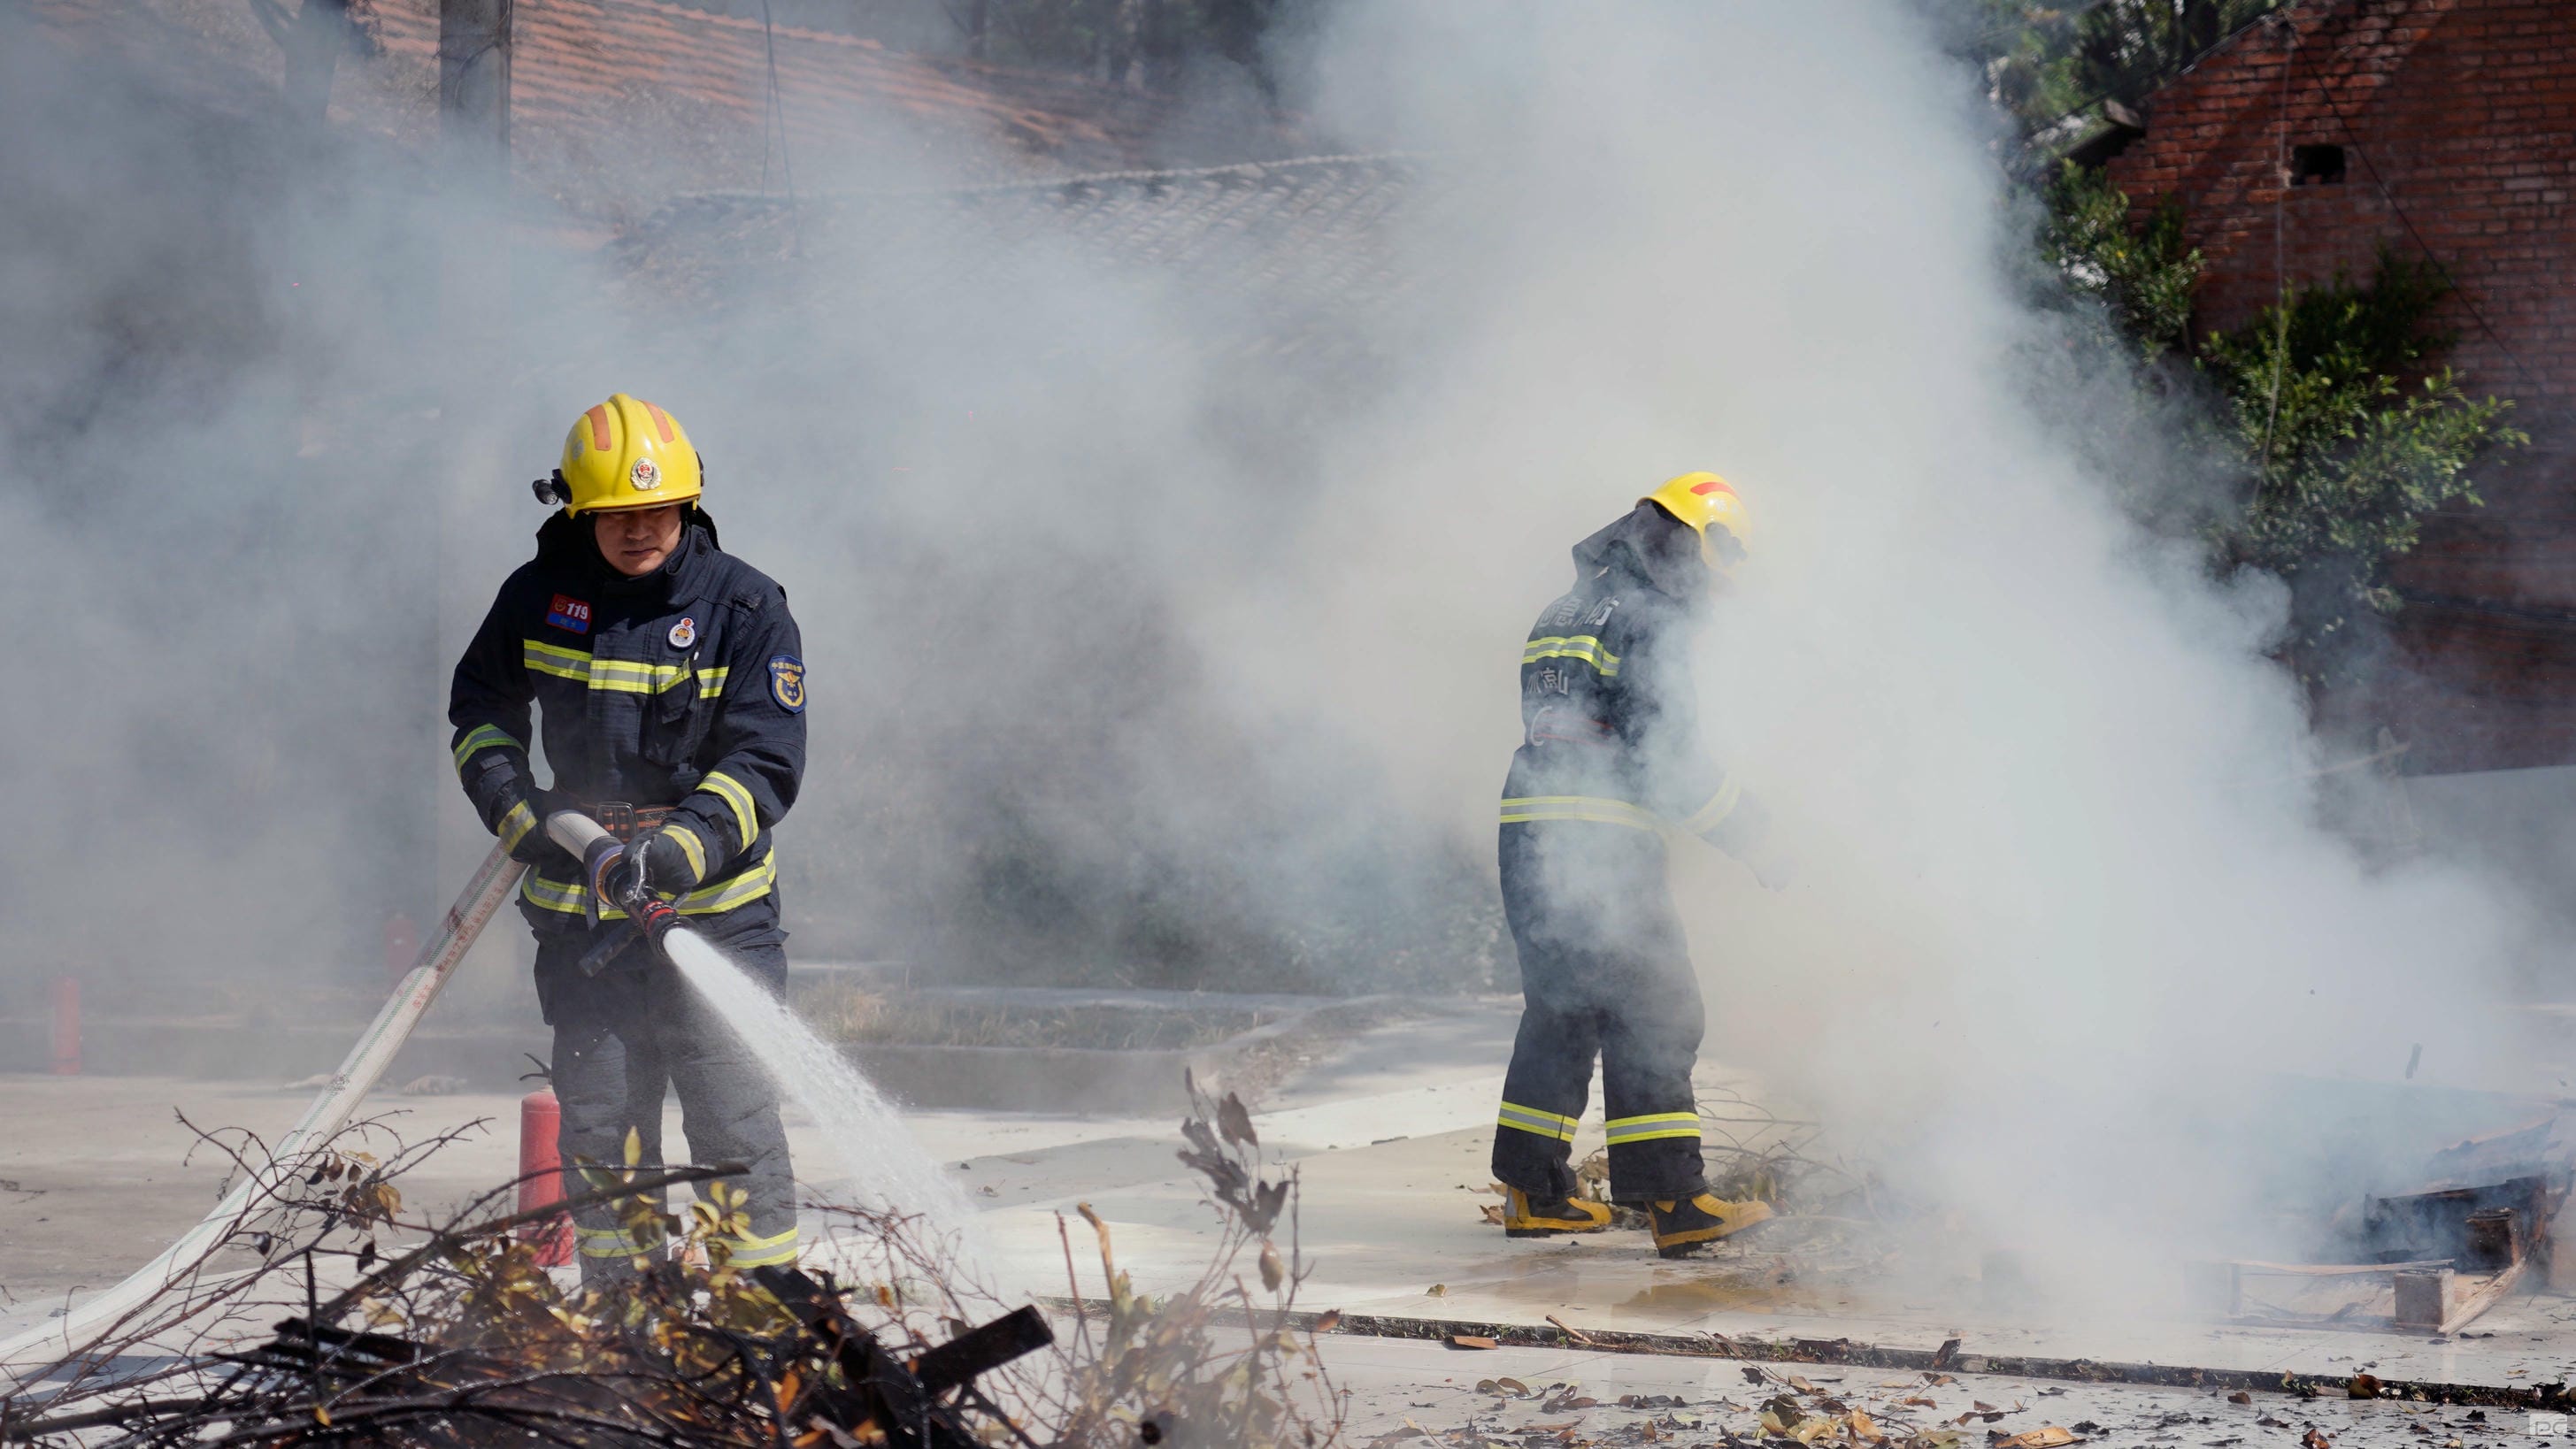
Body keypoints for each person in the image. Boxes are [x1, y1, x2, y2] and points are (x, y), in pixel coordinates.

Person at [449, 393, 807, 1282]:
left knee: (734, 1127)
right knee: (605, 1131)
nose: (640, 529)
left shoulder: (747, 609)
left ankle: (754, 1334)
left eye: (657, 511)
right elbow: (480, 711)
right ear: (577, 511)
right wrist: (512, 804)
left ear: (688, 506)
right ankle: (632, 1340)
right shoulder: (537, 597)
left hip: (715, 919)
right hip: (584, 926)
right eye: (616, 515)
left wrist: (684, 847)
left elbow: (766, 756)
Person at [1492, 472, 1791, 1259]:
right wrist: (1761, 839)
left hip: (1529, 826)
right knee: (1657, 1008)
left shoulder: (1569, 605)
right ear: (1699, 543)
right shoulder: (1652, 617)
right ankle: (1672, 1200)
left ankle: (1533, 1191)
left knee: (1562, 1007)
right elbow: (1669, 764)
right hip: (1600, 841)